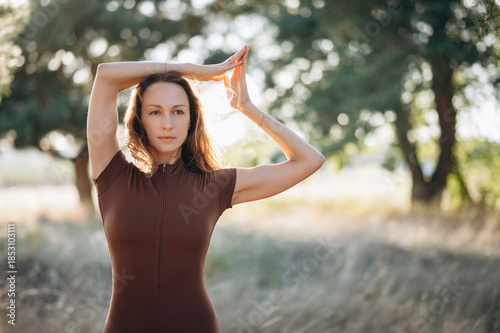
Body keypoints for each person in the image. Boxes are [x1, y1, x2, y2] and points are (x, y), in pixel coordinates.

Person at [87, 45, 325, 333]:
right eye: (155, 112)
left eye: (178, 112)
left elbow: (309, 160)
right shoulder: (112, 174)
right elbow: (106, 76)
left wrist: (245, 106)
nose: (167, 124)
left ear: (191, 119)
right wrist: (195, 71)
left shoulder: (215, 185)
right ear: (140, 120)